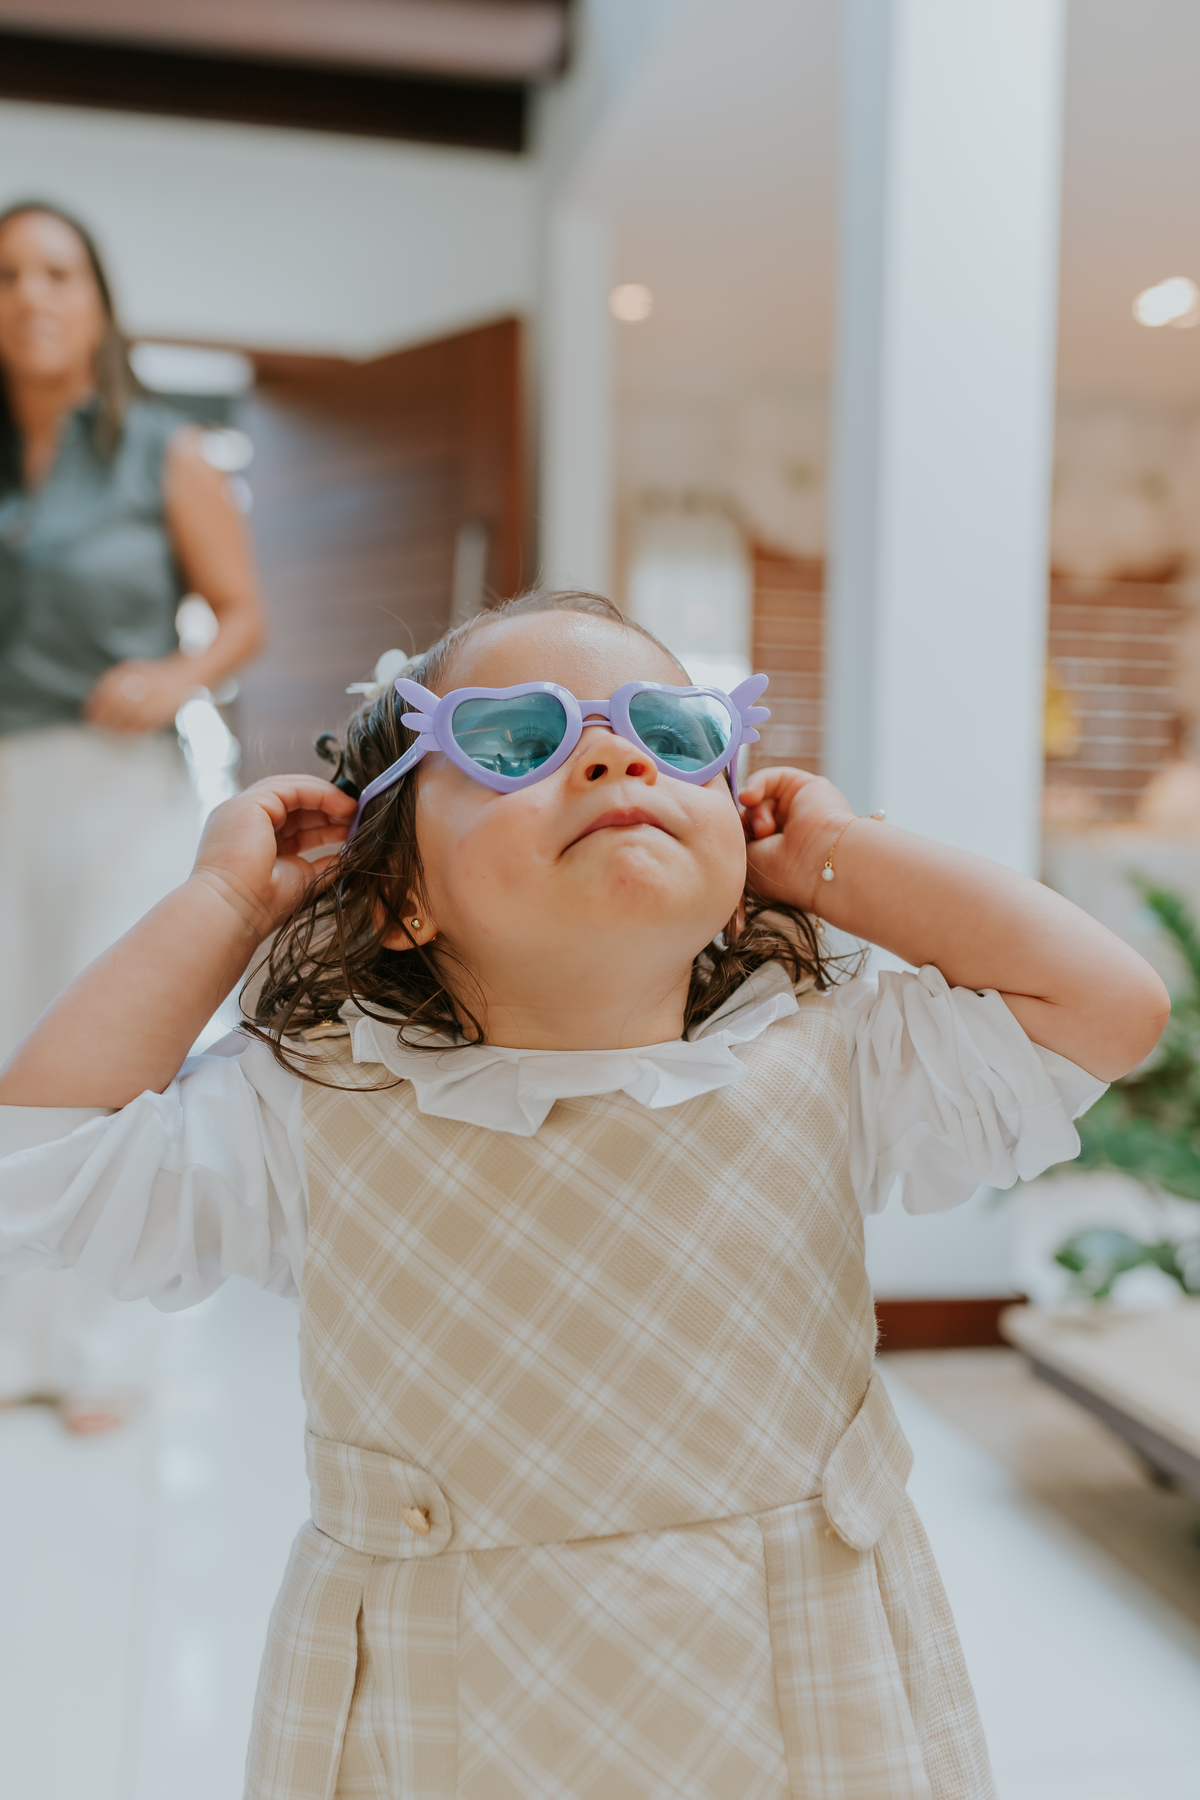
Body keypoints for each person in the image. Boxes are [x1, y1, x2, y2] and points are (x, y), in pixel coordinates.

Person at [0, 590, 1168, 1796]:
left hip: (808, 1701)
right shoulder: (311, 1110)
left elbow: (1106, 1007)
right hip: (450, 1715)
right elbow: (36, 1162)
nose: (616, 756)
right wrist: (227, 905)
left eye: (672, 735)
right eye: (515, 741)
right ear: (400, 893)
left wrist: (834, 856)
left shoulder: (833, 1061)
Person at [0, 200, 264, 1429]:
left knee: (99, 1062)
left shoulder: (165, 452)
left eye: (56, 272)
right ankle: (17, 1341)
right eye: (6, 275)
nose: (31, 295)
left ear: (97, 302)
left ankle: (104, 1344)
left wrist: (174, 676)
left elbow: (243, 614)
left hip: (120, 785)